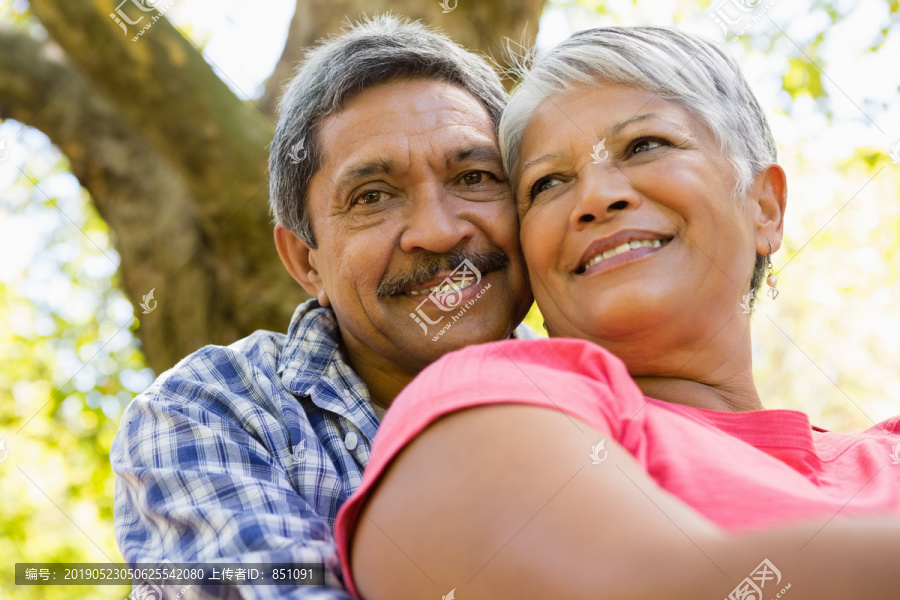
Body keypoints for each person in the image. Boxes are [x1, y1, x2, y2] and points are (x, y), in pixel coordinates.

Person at [334, 26, 900, 600]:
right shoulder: (489, 395)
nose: (597, 198)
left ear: (765, 208)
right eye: (549, 183)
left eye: (645, 145)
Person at [109, 15, 534, 599]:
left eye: (476, 176)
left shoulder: (619, 390)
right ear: (307, 262)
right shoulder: (209, 411)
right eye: (373, 197)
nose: (437, 232)